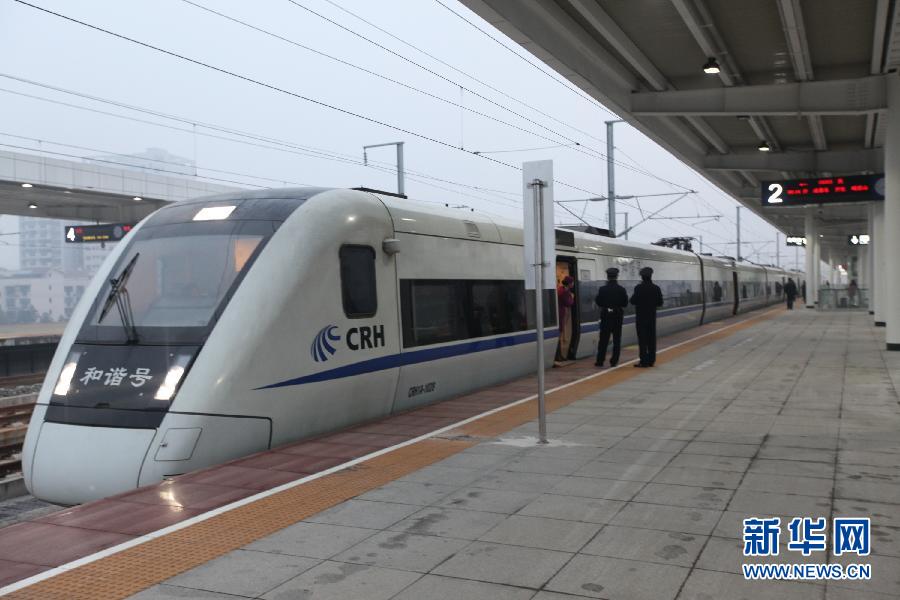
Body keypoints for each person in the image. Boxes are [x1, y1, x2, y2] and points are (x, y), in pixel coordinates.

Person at [594, 267, 628, 367]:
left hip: (606, 316)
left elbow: (598, 302)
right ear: (617, 276)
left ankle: (600, 361)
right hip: (617, 316)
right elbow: (625, 303)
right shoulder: (621, 289)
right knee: (617, 340)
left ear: (607, 277)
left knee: (603, 340)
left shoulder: (602, 289)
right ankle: (614, 361)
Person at [631, 266, 663, 368]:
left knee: (642, 340)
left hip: (641, 318)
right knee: (651, 339)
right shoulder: (656, 288)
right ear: (651, 276)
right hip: (651, 317)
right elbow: (660, 303)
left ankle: (643, 361)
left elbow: (632, 301)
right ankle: (651, 360)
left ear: (642, 277)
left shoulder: (638, 288)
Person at [556, 275, 575, 362]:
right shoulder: (564, 292)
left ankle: (559, 355)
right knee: (559, 335)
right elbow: (569, 303)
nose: (573, 284)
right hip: (560, 315)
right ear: (569, 283)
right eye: (572, 282)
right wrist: (572, 296)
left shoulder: (561, 289)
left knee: (559, 335)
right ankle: (558, 356)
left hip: (560, 314)